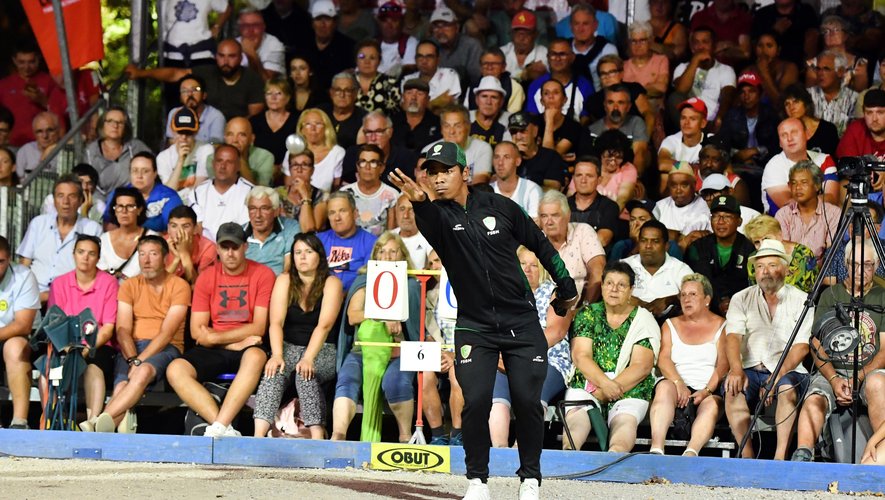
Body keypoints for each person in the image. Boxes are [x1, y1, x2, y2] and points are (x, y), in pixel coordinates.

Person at [389, 141, 578, 500]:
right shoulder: (437, 217)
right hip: (475, 326)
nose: (439, 179)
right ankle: (477, 480)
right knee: (475, 401)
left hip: (522, 323)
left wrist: (566, 285)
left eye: (446, 170)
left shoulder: (502, 207)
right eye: (433, 172)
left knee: (527, 401)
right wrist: (418, 201)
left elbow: (540, 244)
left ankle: (530, 480)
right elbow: (427, 217)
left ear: (465, 173)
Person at [166, 223, 275, 437]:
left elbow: (259, 327)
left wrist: (215, 338)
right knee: (175, 369)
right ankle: (223, 426)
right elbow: (197, 332)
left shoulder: (263, 274)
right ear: (217, 248)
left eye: (235, 247)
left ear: (245, 247)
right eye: (225, 247)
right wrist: (234, 343)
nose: (230, 253)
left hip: (246, 346)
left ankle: (219, 426)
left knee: (254, 356)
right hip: (224, 346)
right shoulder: (207, 276)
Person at [793, 239, 885, 462]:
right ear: (845, 264)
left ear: (875, 266)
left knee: (878, 384)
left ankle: (879, 452)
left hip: (868, 371)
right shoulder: (830, 295)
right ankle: (803, 454)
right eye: (855, 264)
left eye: (868, 265)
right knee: (815, 398)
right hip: (833, 370)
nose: (862, 271)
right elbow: (816, 345)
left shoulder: (882, 296)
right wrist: (834, 380)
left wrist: (859, 376)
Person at [91, 235, 190, 433]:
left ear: (165, 258)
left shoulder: (179, 286)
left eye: (153, 254)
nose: (146, 260)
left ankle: (98, 422)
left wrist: (139, 362)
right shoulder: (129, 285)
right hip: (132, 348)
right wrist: (132, 359)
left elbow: (166, 333)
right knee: (120, 388)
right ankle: (108, 435)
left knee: (142, 372)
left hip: (166, 348)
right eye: (142, 254)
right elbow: (123, 330)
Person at [723, 238, 812, 460]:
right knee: (732, 388)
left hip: (788, 370)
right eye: (760, 267)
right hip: (750, 368)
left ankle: (779, 457)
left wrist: (776, 376)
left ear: (785, 268)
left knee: (786, 389)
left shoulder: (803, 300)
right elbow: (733, 336)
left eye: (772, 265)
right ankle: (747, 455)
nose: (766, 272)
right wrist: (735, 368)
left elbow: (801, 347)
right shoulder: (741, 298)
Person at [331, 232, 420, 443]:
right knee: (347, 381)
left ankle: (405, 439)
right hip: (363, 351)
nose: (387, 256)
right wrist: (383, 315)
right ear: (375, 255)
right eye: (382, 251)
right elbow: (353, 316)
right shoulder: (364, 280)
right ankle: (338, 437)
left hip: (399, 352)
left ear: (403, 256)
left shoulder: (411, 285)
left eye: (392, 251)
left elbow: (416, 327)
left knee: (395, 382)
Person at [253, 233, 343, 439]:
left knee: (305, 374)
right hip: (288, 346)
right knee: (273, 373)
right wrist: (276, 355)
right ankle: (257, 437)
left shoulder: (332, 283)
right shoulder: (284, 280)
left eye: (308, 252)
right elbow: (276, 322)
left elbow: (325, 325)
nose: (302, 257)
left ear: (319, 256)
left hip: (322, 349)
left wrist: (308, 358)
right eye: (298, 252)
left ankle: (317, 436)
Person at [563, 262, 660, 453]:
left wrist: (610, 388)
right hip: (589, 382)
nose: (614, 289)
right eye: (609, 283)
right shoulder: (587, 314)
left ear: (631, 290)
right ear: (602, 286)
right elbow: (581, 356)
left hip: (630, 386)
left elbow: (642, 366)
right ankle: (569, 454)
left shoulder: (643, 319)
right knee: (577, 417)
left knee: (625, 420)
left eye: (621, 285)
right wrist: (604, 385)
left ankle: (614, 456)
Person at [490, 246, 572, 449]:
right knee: (497, 398)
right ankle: (499, 452)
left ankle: (522, 451)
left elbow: (556, 332)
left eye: (534, 265)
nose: (527, 269)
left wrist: (520, 353)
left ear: (543, 269)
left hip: (547, 358)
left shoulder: (556, 293)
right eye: (522, 264)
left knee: (533, 396)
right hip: (507, 359)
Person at [649, 274, 727, 456]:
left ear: (707, 299)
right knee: (664, 388)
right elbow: (664, 358)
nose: (686, 299)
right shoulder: (670, 324)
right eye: (683, 295)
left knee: (711, 405)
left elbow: (723, 363)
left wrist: (707, 390)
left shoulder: (721, 325)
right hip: (675, 385)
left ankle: (691, 452)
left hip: (708, 389)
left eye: (693, 294)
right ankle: (656, 448)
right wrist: (679, 383)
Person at [47, 235, 118, 432]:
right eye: (81, 252)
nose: (85, 258)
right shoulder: (60, 283)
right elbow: (55, 322)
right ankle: (50, 419)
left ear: (98, 257)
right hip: (65, 344)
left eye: (91, 253)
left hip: (99, 345)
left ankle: (92, 423)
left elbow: (108, 327)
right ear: (73, 255)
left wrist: (87, 347)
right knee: (48, 368)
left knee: (93, 369)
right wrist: (68, 347)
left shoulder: (109, 283)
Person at [125, 39, 265, 121]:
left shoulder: (252, 79)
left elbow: (255, 117)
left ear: (241, 58)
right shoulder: (208, 71)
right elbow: (175, 74)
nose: (225, 61)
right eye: (221, 56)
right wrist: (141, 73)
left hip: (237, 134)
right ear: (216, 56)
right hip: (204, 130)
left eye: (231, 56)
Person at [18, 175, 103, 302]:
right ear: (54, 200)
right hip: (32, 295)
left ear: (81, 200)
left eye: (72, 196)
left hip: (70, 297)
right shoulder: (38, 223)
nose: (65, 202)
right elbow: (24, 264)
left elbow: (92, 271)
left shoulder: (92, 229)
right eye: (60, 196)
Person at [685, 196, 755, 316]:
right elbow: (698, 282)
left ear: (739, 221)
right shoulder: (698, 248)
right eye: (716, 216)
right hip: (705, 309)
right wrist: (718, 301)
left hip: (742, 310)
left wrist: (733, 303)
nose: (720, 222)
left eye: (727, 217)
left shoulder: (749, 249)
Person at [0, 236, 40, 429]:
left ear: (9, 259)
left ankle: (19, 422)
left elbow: (23, 325)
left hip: (17, 337)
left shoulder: (24, 276)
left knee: (15, 348)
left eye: (0, 262)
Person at [761, 118, 839, 215]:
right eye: (784, 135)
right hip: (781, 226)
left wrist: (804, 200)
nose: (789, 139)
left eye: (794, 132)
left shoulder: (824, 160)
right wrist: (819, 199)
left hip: (823, 223)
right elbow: (791, 207)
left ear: (807, 134)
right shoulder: (773, 166)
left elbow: (832, 199)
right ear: (780, 143)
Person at [538, 191, 604, 305]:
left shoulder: (583, 231)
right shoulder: (535, 240)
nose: (549, 222)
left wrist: (584, 310)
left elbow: (598, 270)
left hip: (577, 308)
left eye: (555, 215)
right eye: (544, 216)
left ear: (567, 215)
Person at [621, 220, 693, 320]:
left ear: (666, 246)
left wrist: (670, 300)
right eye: (644, 240)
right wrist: (627, 299)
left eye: (655, 241)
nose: (648, 246)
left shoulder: (680, 269)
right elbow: (607, 293)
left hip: (668, 324)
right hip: (628, 324)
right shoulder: (624, 266)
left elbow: (695, 296)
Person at [0, 41, 67, 147]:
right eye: (21, 62)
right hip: (11, 144)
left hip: (42, 143)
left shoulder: (49, 81)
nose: (26, 67)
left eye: (31, 62)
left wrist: (43, 101)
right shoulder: (4, 85)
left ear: (38, 59)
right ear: (14, 61)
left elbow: (61, 115)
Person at [671, 26, 736, 132]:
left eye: (705, 42)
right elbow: (680, 92)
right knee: (673, 98)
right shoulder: (682, 68)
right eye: (696, 43)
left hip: (712, 124)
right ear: (692, 48)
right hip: (688, 124)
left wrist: (718, 120)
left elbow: (727, 98)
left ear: (714, 46)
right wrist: (695, 61)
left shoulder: (726, 70)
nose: (700, 47)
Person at [774, 162, 840, 263]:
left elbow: (832, 253)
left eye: (804, 182)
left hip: (823, 273)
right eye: (794, 183)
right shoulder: (783, 214)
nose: (798, 187)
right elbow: (783, 251)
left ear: (817, 186)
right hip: (790, 273)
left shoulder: (833, 213)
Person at [186, 144, 254, 240]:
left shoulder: (250, 192)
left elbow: (245, 230)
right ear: (213, 164)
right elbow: (197, 228)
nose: (223, 166)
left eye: (229, 162)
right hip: (205, 250)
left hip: (236, 247)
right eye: (219, 161)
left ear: (239, 166)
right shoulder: (197, 192)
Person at [105, 152, 183, 233]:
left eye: (145, 171)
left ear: (155, 173)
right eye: (135, 171)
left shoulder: (169, 197)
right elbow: (109, 224)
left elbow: (174, 230)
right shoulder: (117, 195)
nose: (139, 176)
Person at [718, 72, 780, 173]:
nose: (746, 96)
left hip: (766, 167)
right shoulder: (731, 115)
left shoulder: (771, 115)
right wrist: (739, 154)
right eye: (742, 92)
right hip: (737, 166)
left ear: (760, 94)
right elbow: (723, 145)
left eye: (751, 91)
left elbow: (777, 146)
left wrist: (755, 150)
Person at [317, 191, 378, 291]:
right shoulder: (318, 240)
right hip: (321, 297)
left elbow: (369, 282)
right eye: (332, 213)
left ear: (355, 213)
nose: (337, 218)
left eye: (342, 211)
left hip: (355, 297)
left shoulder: (371, 243)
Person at [84, 107, 152, 194]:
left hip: (133, 198)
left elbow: (152, 172)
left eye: (120, 123)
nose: (115, 126)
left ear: (125, 127)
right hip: (98, 201)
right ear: (102, 124)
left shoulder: (137, 147)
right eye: (110, 121)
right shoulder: (90, 151)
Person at [743, 215, 817, 294]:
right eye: (757, 242)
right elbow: (755, 292)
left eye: (767, 239)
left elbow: (810, 291)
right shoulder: (753, 260)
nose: (763, 245)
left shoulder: (803, 254)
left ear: (780, 235)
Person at [341, 111, 419, 186]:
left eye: (378, 132)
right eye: (369, 132)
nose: (373, 138)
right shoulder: (353, 154)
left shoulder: (406, 157)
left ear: (390, 132)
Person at [526, 38, 593, 123]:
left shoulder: (585, 86)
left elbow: (587, 120)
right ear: (548, 57)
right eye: (553, 54)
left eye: (562, 54)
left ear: (572, 57)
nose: (557, 59)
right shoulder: (535, 86)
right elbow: (532, 120)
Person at [588, 83, 650, 175]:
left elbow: (640, 153)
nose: (615, 107)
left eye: (621, 102)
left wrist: (634, 180)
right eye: (611, 102)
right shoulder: (593, 130)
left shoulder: (636, 122)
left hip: (628, 177)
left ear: (628, 107)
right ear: (605, 106)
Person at [423, 105, 492, 185]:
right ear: (441, 128)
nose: (451, 131)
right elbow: (426, 185)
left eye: (457, 126)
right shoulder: (429, 150)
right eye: (447, 126)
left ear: (468, 126)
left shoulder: (482, 148)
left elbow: (479, 185)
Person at [99, 187, 157, 280]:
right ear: (115, 210)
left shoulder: (153, 238)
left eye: (130, 206)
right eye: (120, 206)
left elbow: (156, 274)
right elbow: (100, 276)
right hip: (110, 293)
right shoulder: (104, 240)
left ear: (139, 210)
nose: (124, 211)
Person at [340, 144, 399, 236]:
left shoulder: (392, 195)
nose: (367, 167)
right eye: (363, 162)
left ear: (382, 168)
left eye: (373, 162)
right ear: (358, 167)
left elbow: (392, 233)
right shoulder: (344, 193)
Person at [243, 187, 300, 276]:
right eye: (253, 208)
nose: (258, 215)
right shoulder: (238, 233)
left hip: (279, 285)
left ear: (276, 211)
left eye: (264, 208)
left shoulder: (291, 227)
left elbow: (289, 267)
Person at [157, 108, 214, 198]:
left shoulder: (206, 150)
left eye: (188, 133)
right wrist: (180, 160)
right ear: (173, 131)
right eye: (180, 132)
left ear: (196, 131)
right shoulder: (163, 157)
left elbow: (200, 188)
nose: (184, 137)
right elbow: (169, 191)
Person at [301, 1, 356, 92]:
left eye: (327, 19)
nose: (323, 24)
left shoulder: (348, 47)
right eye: (318, 19)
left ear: (335, 22)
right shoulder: (303, 45)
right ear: (312, 23)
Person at [654, 162, 712, 248]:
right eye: (673, 186)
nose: (678, 190)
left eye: (684, 185)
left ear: (694, 185)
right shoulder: (659, 206)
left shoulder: (705, 207)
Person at [658, 98, 710, 193]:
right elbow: (662, 163)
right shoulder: (671, 140)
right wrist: (692, 168)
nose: (686, 123)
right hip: (679, 190)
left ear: (703, 123)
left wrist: (680, 166)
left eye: (692, 119)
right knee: (665, 175)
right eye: (683, 118)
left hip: (704, 189)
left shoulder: (712, 141)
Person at [805, 16, 868, 93]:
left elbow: (861, 91)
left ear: (846, 36)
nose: (831, 34)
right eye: (826, 31)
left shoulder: (859, 63)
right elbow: (811, 92)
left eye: (836, 30)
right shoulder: (813, 64)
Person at [568, 156, 620, 248]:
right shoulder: (562, 205)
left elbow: (603, 239)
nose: (583, 180)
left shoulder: (609, 206)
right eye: (579, 175)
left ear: (599, 180)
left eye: (589, 176)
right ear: (573, 179)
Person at [287, 108, 344, 192]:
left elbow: (336, 188)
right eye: (308, 124)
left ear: (326, 128)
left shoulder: (338, 153)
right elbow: (288, 187)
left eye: (318, 124)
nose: (313, 128)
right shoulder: (293, 150)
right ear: (301, 129)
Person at [508, 112, 567, 192]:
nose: (518, 137)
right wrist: (515, 156)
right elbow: (497, 182)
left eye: (523, 131)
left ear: (535, 131)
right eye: (514, 132)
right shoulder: (507, 157)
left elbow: (552, 190)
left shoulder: (550, 157)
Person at [750, 0, 819, 67]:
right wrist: (774, 32)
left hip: (801, 69)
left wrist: (809, 69)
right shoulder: (762, 14)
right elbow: (754, 48)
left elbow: (813, 48)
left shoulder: (806, 12)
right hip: (768, 68)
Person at [207, 117, 274, 187]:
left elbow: (260, 192)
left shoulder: (265, 157)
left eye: (242, 135)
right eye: (230, 134)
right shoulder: (213, 158)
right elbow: (219, 188)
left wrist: (238, 158)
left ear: (252, 139)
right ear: (225, 138)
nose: (235, 140)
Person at [807, 50, 860, 136]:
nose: (820, 73)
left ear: (840, 72)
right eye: (818, 69)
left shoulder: (854, 99)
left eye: (826, 69)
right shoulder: (807, 95)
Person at [401, 40, 462, 113]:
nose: (424, 61)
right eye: (420, 56)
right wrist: (436, 103)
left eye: (429, 56)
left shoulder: (449, 75)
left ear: (438, 59)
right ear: (415, 59)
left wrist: (418, 107)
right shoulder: (407, 80)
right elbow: (406, 109)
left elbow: (448, 104)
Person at [250, 77, 298, 168]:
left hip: (288, 171)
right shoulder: (254, 121)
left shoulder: (296, 121)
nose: (273, 98)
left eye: (278, 93)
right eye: (269, 93)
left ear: (287, 97)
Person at [429, 6, 483, 88]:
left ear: (457, 27)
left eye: (445, 25)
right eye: (436, 26)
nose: (440, 31)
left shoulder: (471, 45)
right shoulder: (429, 45)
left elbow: (475, 79)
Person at [275, 150, 328, 233]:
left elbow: (309, 231)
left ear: (312, 170)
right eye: (295, 165)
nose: (299, 170)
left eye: (305, 165)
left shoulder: (322, 196)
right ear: (289, 169)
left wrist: (305, 196)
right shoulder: (277, 194)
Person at [165, 75, 226, 144]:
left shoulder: (216, 116)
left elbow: (215, 146)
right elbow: (171, 142)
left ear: (204, 95)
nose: (190, 94)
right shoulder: (174, 113)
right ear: (180, 97)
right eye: (184, 90)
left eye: (195, 89)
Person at [623, 21, 669, 114]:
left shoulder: (661, 60)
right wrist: (648, 87)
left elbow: (661, 88)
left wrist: (633, 91)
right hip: (629, 109)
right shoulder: (624, 65)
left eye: (642, 40)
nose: (638, 45)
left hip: (653, 107)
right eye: (634, 41)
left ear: (650, 41)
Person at [538, 79, 587, 164]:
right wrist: (560, 157)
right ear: (541, 101)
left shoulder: (573, 127)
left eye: (556, 93)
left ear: (564, 100)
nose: (551, 97)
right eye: (546, 93)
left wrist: (549, 120)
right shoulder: (533, 123)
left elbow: (548, 158)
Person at [164, 205, 216, 285]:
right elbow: (157, 284)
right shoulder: (160, 244)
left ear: (195, 229)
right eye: (174, 226)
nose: (179, 232)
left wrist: (184, 254)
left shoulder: (208, 248)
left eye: (185, 226)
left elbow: (200, 286)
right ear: (168, 228)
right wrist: (177, 259)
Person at [782, 84, 839, 157]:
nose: (791, 107)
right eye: (787, 104)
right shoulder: (784, 134)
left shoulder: (827, 129)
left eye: (795, 101)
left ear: (805, 103)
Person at [744, 31, 799, 106]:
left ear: (778, 50)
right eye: (760, 46)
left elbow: (783, 105)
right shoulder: (749, 70)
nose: (764, 50)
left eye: (769, 46)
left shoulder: (789, 68)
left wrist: (764, 73)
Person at [462, 48, 524, 114]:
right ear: (480, 67)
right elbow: (467, 113)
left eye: (495, 64)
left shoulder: (515, 88)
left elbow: (512, 116)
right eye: (485, 63)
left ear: (503, 67)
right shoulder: (473, 86)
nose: (490, 68)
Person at [490, 141, 542, 219]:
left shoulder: (531, 190)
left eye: (506, 157)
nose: (500, 162)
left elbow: (534, 226)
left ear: (518, 161)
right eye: (497, 157)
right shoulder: (487, 192)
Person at [318, 72, 366, 150]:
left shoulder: (364, 118)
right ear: (331, 93)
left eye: (347, 91)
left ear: (355, 94)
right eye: (338, 90)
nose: (342, 95)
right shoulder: (319, 113)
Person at [235, 8, 285, 82]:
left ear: (263, 27)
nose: (251, 30)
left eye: (255, 25)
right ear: (239, 28)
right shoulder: (233, 45)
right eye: (246, 26)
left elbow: (267, 83)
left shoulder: (274, 45)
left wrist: (251, 55)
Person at [391, 78, 441, 152]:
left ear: (428, 99)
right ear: (403, 97)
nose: (413, 98)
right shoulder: (392, 122)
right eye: (409, 93)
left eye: (419, 94)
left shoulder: (438, 124)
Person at [354, 39, 401, 117]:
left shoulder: (390, 83)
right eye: (362, 57)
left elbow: (396, 115)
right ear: (356, 60)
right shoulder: (346, 81)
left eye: (372, 58)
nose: (367, 62)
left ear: (379, 61)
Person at [500, 9, 548, 83]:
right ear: (511, 35)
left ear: (535, 35)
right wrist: (525, 73)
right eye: (518, 34)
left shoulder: (544, 54)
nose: (522, 38)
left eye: (527, 34)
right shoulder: (502, 53)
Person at [838, 89, 885, 161]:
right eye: (869, 113)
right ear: (863, 113)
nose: (874, 119)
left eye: (880, 112)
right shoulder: (855, 130)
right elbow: (847, 167)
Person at [376, 1, 418, 79]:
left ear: (402, 22)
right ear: (379, 23)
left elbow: (409, 69)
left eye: (394, 20)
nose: (389, 25)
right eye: (384, 21)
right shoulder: (373, 43)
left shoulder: (410, 42)